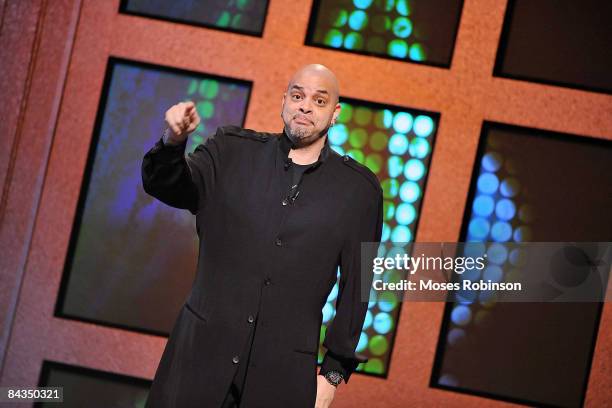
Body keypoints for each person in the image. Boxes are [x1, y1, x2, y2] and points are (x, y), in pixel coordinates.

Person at [142, 64, 383, 408]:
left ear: (335, 113)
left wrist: (332, 373)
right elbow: (169, 186)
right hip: (196, 362)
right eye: (298, 96)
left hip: (281, 379)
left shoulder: (358, 191)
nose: (305, 106)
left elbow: (357, 285)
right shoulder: (230, 151)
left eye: (319, 100)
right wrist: (172, 142)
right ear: (284, 100)